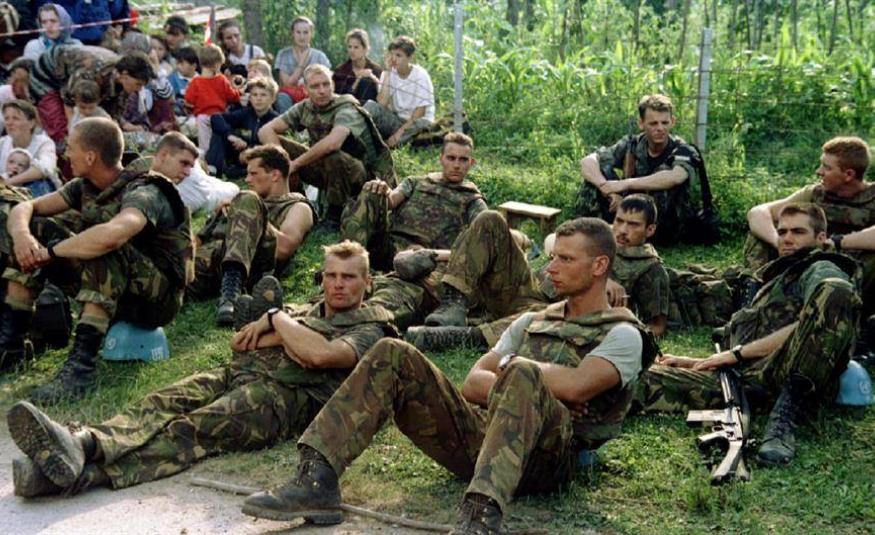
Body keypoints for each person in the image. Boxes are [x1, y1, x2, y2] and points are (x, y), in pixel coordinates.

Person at [241, 218, 655, 534]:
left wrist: (521, 377)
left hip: (548, 458)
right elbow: (473, 382)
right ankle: (316, 480)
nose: (551, 269)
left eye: (566, 259)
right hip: (482, 438)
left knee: (523, 371)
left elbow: (580, 387)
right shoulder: (532, 320)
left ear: (600, 265)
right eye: (553, 257)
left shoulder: (622, 333)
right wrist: (523, 387)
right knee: (392, 352)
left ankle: (480, 516)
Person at [5, 240, 400, 498]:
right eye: (331, 275)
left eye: (349, 277)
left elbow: (322, 357)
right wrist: (290, 335)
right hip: (238, 374)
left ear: (367, 282)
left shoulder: (372, 327)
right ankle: (84, 443)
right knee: (163, 400)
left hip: (283, 399)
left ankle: (83, 475)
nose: (338, 284)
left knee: (194, 426)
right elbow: (241, 342)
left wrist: (277, 321)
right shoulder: (307, 312)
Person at [637, 203, 861, 467]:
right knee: (634, 375)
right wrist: (695, 362)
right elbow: (752, 346)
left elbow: (819, 314)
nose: (787, 238)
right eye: (782, 231)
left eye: (798, 232)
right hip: (744, 380)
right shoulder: (778, 279)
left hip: (787, 374)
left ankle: (786, 415)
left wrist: (736, 354)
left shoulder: (820, 267)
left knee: (835, 290)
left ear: (821, 238)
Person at [0, 118, 194, 403]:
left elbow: (114, 235)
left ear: (90, 156)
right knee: (37, 228)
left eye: (71, 147)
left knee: (102, 244)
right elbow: (26, 206)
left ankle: (82, 368)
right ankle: (11, 346)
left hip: (156, 300)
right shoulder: (85, 185)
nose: (66, 153)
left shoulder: (147, 190)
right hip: (117, 286)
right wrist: (23, 237)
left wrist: (52, 252)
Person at [745, 136, 875, 317]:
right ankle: (754, 294)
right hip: (806, 262)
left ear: (848, 175)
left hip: (854, 272)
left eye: (827, 167)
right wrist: (779, 241)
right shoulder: (814, 194)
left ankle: (856, 314)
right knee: (759, 236)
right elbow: (758, 213)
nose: (818, 171)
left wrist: (836, 243)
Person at [191, 144, 315, 326]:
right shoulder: (238, 202)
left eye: (253, 173)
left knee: (248, 199)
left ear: (275, 175)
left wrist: (254, 216)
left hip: (254, 265)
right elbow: (198, 241)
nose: (247, 179)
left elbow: (284, 248)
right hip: (213, 262)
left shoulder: (297, 206)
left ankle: (231, 296)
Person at [259, 64, 395, 229]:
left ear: (333, 85)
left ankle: (334, 215)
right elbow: (265, 131)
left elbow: (333, 143)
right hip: (327, 171)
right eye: (315, 86)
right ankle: (297, 202)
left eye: (326, 84)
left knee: (333, 156)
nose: (322, 90)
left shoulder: (346, 106)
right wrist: (284, 162)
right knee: (277, 147)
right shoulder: (305, 107)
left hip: (362, 176)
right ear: (305, 89)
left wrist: (295, 164)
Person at [577, 94, 707, 245]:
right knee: (595, 177)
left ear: (672, 122)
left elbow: (675, 177)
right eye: (653, 123)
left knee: (664, 184)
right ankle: (591, 230)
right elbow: (588, 161)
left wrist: (624, 184)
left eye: (665, 123)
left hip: (665, 222)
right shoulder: (632, 144)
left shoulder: (684, 149)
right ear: (641, 123)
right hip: (629, 210)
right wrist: (607, 189)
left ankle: (641, 234)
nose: (660, 128)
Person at [364, 35, 435, 148]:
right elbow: (382, 103)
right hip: (398, 121)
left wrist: (398, 134)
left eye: (398, 55)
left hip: (417, 122)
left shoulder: (421, 75)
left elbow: (420, 112)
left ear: (410, 57)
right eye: (392, 54)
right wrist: (388, 72)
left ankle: (393, 143)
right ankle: (360, 141)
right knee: (370, 106)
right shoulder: (388, 73)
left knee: (422, 125)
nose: (393, 59)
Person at [206, 77, 279, 178]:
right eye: (255, 95)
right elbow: (216, 117)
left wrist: (249, 149)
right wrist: (230, 135)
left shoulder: (276, 120)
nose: (258, 99)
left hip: (259, 156)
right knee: (219, 131)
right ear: (250, 98)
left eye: (263, 95)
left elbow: (275, 148)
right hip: (238, 154)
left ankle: (237, 172)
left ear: (273, 99)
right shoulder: (246, 113)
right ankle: (213, 170)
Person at [185, 44, 241, 156]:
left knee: (204, 140)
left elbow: (189, 101)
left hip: (202, 117)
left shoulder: (195, 82)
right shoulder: (221, 79)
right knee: (219, 138)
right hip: (219, 117)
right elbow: (232, 96)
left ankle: (205, 156)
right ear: (216, 64)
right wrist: (239, 92)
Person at [0, 100, 59, 196]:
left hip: (38, 194)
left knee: (40, 183)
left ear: (31, 123)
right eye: (6, 118)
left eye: (15, 118)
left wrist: (8, 183)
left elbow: (45, 168)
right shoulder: (2, 143)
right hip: (6, 193)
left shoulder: (44, 142)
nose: (9, 123)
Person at [273, 16, 330, 111]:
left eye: (306, 32)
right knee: (282, 97)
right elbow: (288, 84)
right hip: (290, 96)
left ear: (311, 34)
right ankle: (288, 121)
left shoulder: (320, 56)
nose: (302, 37)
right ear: (293, 34)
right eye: (298, 32)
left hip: (314, 95)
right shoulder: (283, 54)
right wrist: (302, 62)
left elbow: (326, 82)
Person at [332, 29, 382, 105]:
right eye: (349, 47)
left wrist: (372, 77)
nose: (352, 50)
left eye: (356, 47)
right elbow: (340, 97)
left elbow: (381, 94)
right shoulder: (341, 70)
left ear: (365, 49)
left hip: (370, 108)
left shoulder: (376, 69)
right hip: (347, 107)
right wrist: (358, 79)